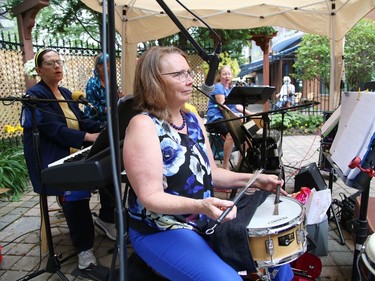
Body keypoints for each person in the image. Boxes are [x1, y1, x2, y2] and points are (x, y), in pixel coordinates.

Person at [123, 46, 293, 281]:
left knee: (278, 263)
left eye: (189, 73)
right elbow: (150, 197)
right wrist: (201, 205)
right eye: (179, 74)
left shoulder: (191, 119)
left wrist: (255, 179)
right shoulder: (143, 125)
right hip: (159, 229)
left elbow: (211, 173)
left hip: (202, 219)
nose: (190, 80)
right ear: (154, 81)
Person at [21, 49, 116, 271]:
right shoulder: (34, 97)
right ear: (38, 70)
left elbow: (82, 120)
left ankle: (106, 218)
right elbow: (52, 129)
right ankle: (84, 250)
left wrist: (105, 129)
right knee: (76, 192)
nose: (57, 66)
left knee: (109, 167)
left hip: (75, 152)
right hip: (54, 159)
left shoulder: (64, 92)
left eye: (58, 61)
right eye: (50, 63)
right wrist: (87, 137)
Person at [206, 65, 252, 170]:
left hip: (229, 117)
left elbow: (236, 106)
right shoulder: (218, 86)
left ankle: (240, 165)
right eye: (224, 74)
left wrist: (251, 114)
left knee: (249, 135)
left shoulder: (232, 88)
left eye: (229, 74)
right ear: (220, 76)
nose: (227, 76)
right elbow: (222, 106)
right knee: (230, 135)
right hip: (216, 118)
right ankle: (225, 165)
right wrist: (236, 116)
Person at [84, 52, 122, 123]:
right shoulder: (92, 83)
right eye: (108, 64)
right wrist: (108, 109)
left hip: (111, 120)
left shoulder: (112, 82)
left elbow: (116, 101)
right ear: (99, 66)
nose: (111, 66)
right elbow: (91, 106)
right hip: (95, 121)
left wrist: (120, 98)